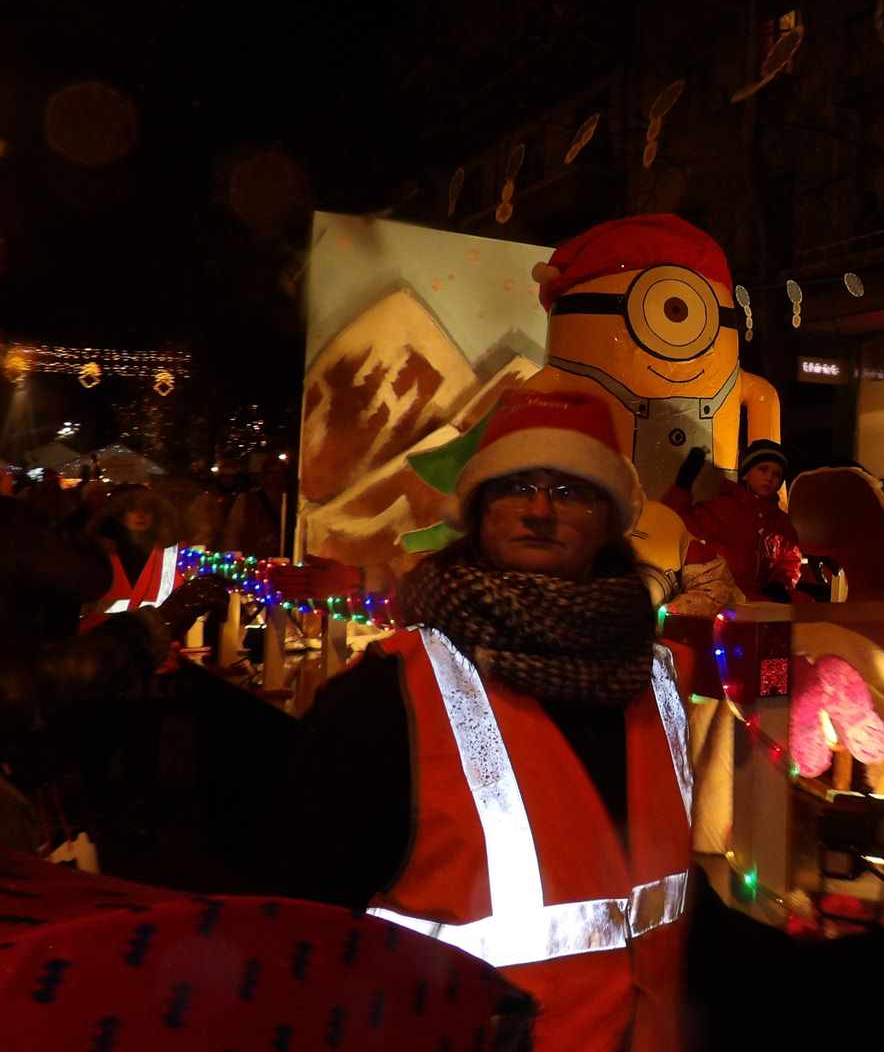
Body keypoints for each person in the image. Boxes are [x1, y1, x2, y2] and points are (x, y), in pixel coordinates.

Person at [282, 390, 691, 1051]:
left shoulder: (658, 683)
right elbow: (304, 934)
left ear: (609, 519)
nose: (539, 510)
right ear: (478, 513)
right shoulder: (388, 695)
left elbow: (676, 906)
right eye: (515, 487)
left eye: (569, 491)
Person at [662, 440, 803, 602]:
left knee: (805, 605)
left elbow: (789, 560)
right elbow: (674, 520)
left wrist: (780, 583)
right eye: (763, 469)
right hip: (721, 596)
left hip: (761, 600)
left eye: (777, 474)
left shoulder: (781, 522)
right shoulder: (722, 507)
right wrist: (682, 486)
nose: (769, 477)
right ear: (745, 474)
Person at [80, 486, 184, 632]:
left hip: (154, 639)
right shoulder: (99, 553)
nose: (140, 515)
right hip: (103, 638)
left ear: (155, 516)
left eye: (147, 510)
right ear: (121, 515)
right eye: (133, 510)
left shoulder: (171, 553)